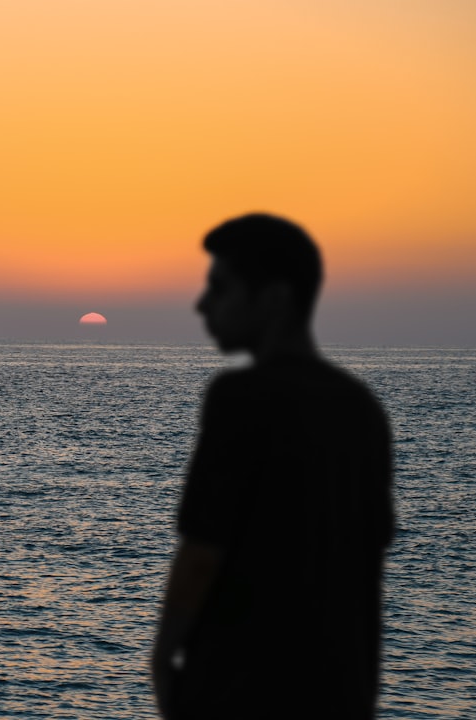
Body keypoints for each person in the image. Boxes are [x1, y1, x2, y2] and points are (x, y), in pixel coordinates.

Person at [152, 214, 394, 719]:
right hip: (337, 696)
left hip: (238, 691)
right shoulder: (361, 409)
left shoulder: (241, 398)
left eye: (220, 288)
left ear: (275, 299)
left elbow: (202, 550)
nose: (202, 305)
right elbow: (366, 568)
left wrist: (162, 657)